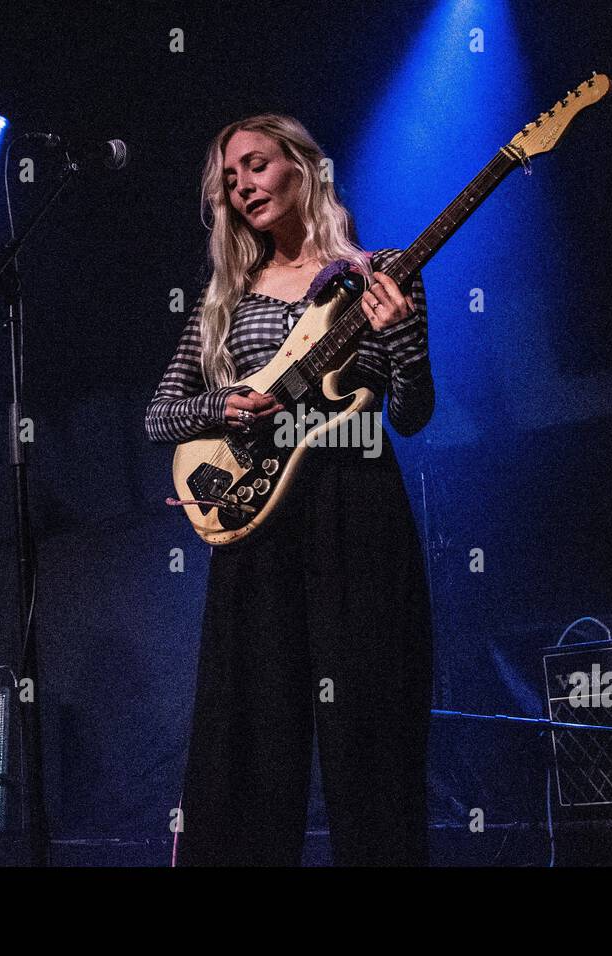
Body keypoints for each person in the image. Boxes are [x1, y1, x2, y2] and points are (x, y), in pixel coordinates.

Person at [145, 113, 435, 866]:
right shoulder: (227, 300)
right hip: (258, 525)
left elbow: (412, 415)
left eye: (255, 165)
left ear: (305, 167)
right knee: (249, 735)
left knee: (370, 727)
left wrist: (399, 338)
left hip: (357, 509)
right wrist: (222, 404)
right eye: (229, 178)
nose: (241, 186)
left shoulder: (386, 270)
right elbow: (158, 415)